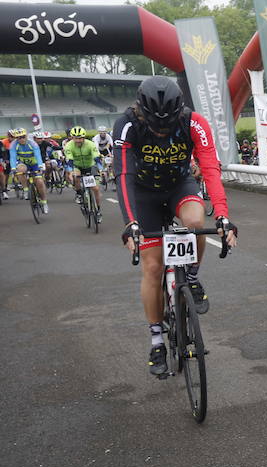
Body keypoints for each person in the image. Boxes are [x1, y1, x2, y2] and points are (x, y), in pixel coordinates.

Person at [113, 75, 237, 376]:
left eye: (167, 124)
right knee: (153, 268)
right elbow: (123, 175)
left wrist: (222, 215)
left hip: (179, 185)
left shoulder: (194, 122)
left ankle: (191, 277)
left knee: (195, 223)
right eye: (156, 124)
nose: (162, 130)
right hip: (143, 194)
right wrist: (130, 222)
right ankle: (157, 339)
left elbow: (209, 168)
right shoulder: (127, 124)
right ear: (142, 111)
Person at [63, 126, 103, 221]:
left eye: (80, 138)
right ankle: (79, 193)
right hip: (77, 166)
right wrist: (70, 172)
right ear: (72, 138)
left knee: (96, 189)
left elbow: (97, 158)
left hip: (91, 166)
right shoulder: (68, 146)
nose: (78, 140)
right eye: (76, 138)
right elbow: (69, 161)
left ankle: (98, 210)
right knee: (76, 176)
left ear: (84, 138)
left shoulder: (91, 144)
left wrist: (102, 170)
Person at [9, 127, 48, 213]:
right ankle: (26, 189)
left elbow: (38, 155)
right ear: (16, 138)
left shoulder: (32, 143)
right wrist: (13, 168)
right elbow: (13, 157)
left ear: (26, 136)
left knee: (40, 182)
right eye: (19, 137)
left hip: (35, 164)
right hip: (24, 164)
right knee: (20, 170)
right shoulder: (13, 145)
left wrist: (41, 166)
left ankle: (44, 202)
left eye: (23, 136)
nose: (22, 139)